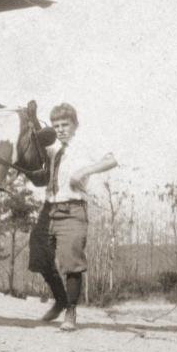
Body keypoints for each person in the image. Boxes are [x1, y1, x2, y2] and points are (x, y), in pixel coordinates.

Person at [28, 102, 117, 331]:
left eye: (65, 124)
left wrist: (85, 170)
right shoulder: (52, 148)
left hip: (73, 210)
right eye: (56, 125)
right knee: (39, 254)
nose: (60, 129)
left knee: (71, 261)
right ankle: (60, 299)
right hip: (49, 209)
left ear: (75, 125)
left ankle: (70, 312)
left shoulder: (86, 145)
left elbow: (113, 159)